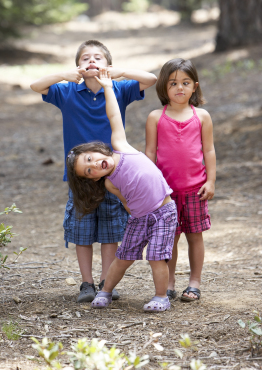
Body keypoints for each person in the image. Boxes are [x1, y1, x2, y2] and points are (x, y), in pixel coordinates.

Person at [30, 40, 157, 303]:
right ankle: (86, 284)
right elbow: (36, 86)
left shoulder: (119, 88)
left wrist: (119, 72)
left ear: (107, 64)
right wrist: (65, 76)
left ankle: (105, 281)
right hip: (81, 176)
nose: (92, 61)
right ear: (78, 66)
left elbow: (151, 79)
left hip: (112, 172)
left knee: (111, 231)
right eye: (85, 58)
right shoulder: (67, 92)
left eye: (98, 58)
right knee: (82, 231)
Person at [67, 69, 177, 312]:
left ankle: (161, 297)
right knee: (123, 257)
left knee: (157, 257)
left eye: (90, 159)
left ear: (97, 149)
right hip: (139, 218)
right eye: (88, 171)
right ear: (92, 179)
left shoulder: (120, 146)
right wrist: (135, 217)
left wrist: (107, 87)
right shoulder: (110, 183)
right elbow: (126, 201)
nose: (94, 165)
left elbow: (114, 116)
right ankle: (105, 291)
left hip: (164, 211)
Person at [145, 58, 216, 302]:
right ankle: (170, 281)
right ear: (164, 87)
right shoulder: (156, 117)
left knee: (195, 236)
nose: (179, 88)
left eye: (185, 83)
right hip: (166, 192)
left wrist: (211, 181)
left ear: (194, 86)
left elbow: (209, 151)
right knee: (169, 238)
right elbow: (150, 154)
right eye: (173, 83)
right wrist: (150, 186)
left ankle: (194, 282)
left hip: (196, 189)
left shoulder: (202, 116)